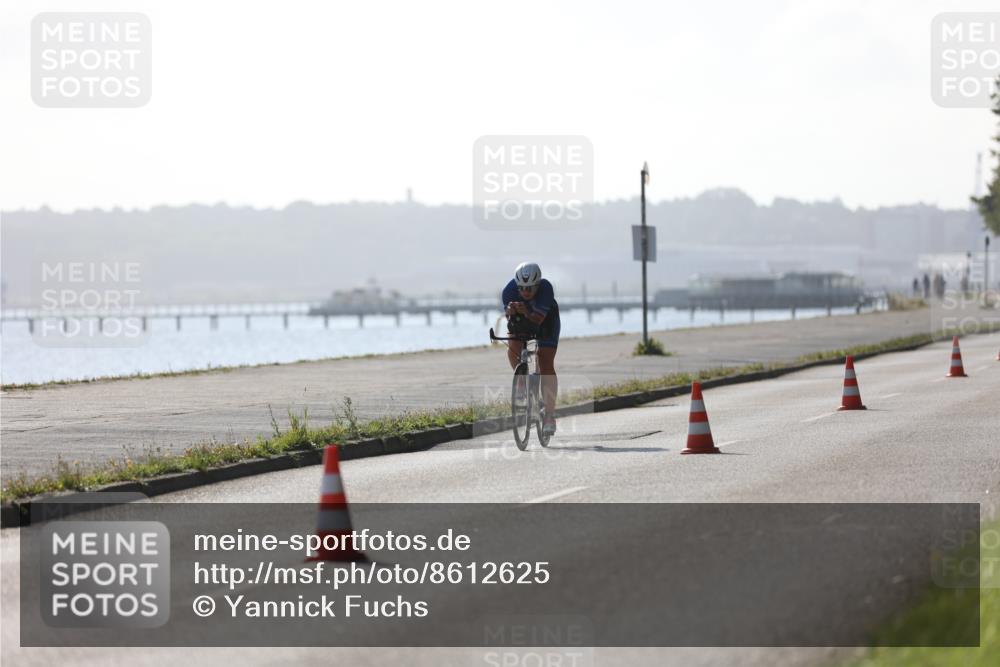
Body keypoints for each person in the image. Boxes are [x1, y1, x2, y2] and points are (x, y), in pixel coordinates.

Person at [501, 262, 560, 436]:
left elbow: (537, 321)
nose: (525, 292)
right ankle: (521, 379)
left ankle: (549, 415)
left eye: (530, 288)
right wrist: (511, 312)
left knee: (545, 362)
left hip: (546, 321)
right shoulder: (509, 291)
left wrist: (526, 311)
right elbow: (512, 322)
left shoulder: (546, 288)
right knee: (513, 344)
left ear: (538, 285)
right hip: (524, 320)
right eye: (522, 288)